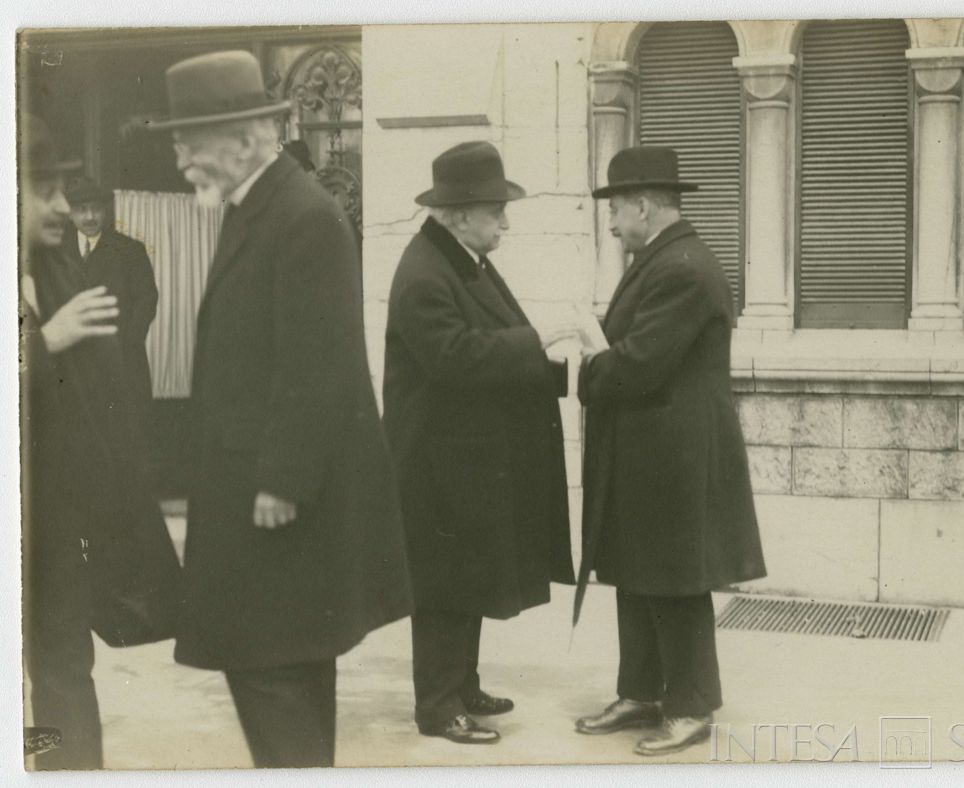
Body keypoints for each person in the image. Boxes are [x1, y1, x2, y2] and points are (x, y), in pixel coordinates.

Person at [149, 50, 412, 768]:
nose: (178, 159)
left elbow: (318, 361)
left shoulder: (303, 216)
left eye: (187, 140)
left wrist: (283, 479)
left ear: (242, 136)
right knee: (275, 676)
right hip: (252, 494)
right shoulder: (260, 207)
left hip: (274, 506)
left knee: (276, 679)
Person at [572, 146, 766, 756]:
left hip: (674, 454)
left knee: (677, 580)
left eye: (614, 209)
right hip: (654, 449)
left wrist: (591, 363)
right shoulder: (666, 257)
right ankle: (642, 692)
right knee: (638, 571)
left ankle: (689, 706)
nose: (610, 222)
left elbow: (637, 365)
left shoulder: (682, 266)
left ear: (644, 206)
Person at [382, 141, 577, 745]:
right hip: (435, 463)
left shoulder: (459, 260)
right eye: (497, 210)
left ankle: (461, 684)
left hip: (458, 458)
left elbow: (491, 344)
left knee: (462, 579)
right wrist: (539, 341)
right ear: (460, 213)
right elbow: (454, 358)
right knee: (443, 587)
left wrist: (564, 373)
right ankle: (438, 707)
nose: (506, 223)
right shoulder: (424, 273)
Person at [20, 116, 181, 770]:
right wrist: (41, 343)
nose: (64, 206)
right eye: (44, 189)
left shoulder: (55, 266)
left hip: (53, 525)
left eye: (67, 190)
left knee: (64, 669)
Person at [63, 176, 158, 447]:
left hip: (123, 362)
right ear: (70, 213)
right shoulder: (57, 254)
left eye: (96, 208)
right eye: (82, 210)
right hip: (74, 364)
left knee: (125, 438)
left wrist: (126, 342)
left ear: (105, 210)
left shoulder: (130, 251)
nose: (90, 216)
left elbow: (147, 299)